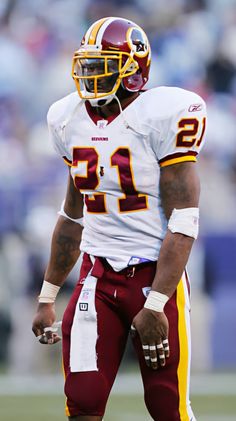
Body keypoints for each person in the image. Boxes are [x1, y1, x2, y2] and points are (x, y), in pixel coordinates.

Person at [32, 16, 207, 421]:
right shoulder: (67, 117)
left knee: (168, 405)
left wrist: (159, 302)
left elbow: (183, 220)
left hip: (152, 274)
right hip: (96, 276)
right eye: (87, 65)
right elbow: (72, 215)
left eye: (102, 65)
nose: (91, 75)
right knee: (83, 400)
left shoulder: (164, 114)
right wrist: (47, 295)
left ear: (132, 70)